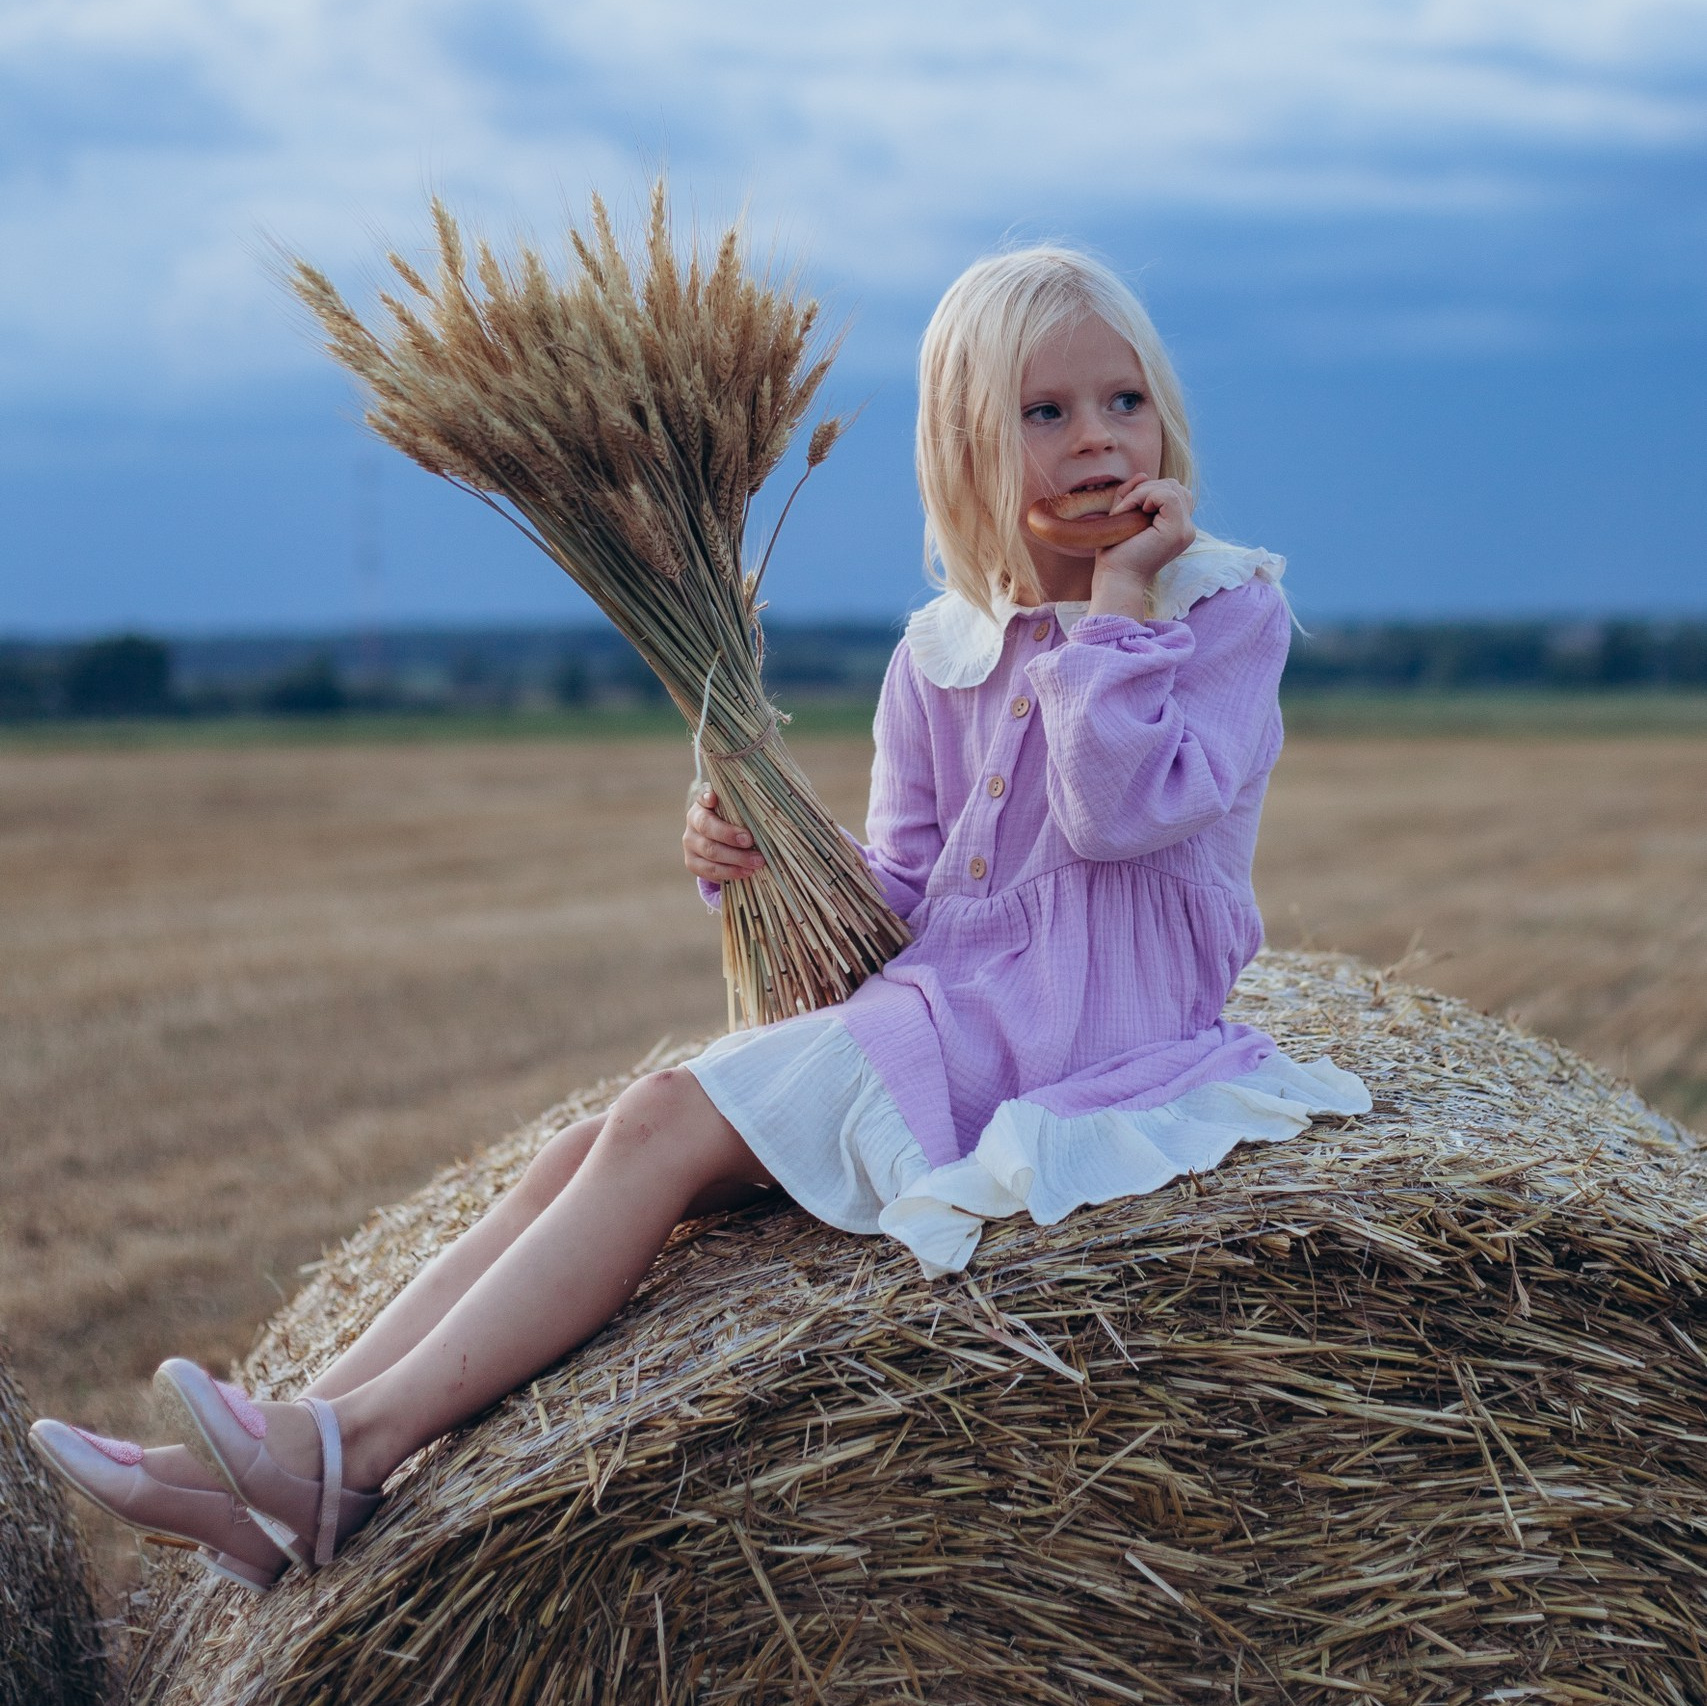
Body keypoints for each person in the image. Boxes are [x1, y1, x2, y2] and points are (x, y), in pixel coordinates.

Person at [31, 245, 1368, 1591]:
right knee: (597, 1140)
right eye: (1044, 411)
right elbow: (904, 901)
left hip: (1080, 1037)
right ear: (969, 443)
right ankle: (290, 1455)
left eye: (1123, 402)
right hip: (950, 1012)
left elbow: (1115, 809)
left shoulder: (1219, 613)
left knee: (662, 1123)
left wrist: (1117, 607)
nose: (1095, 439)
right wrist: (760, 851)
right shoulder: (937, 653)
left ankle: (346, 1449)